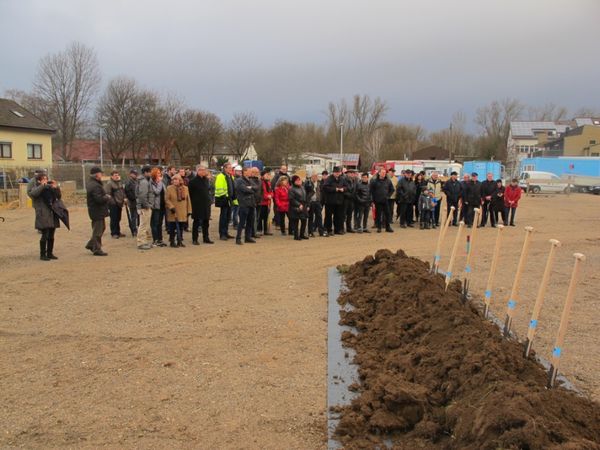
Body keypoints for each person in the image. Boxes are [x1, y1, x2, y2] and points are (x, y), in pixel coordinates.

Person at [28, 173, 62, 260]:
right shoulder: (37, 187)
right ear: (39, 180)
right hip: (43, 214)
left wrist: (56, 187)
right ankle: (42, 255)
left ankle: (50, 253)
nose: (45, 180)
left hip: (52, 213)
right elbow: (33, 194)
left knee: (51, 235)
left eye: (46, 179)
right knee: (45, 234)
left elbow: (58, 197)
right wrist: (42, 186)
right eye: (43, 179)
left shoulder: (49, 188)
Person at [85, 166, 110, 256]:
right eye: (100, 173)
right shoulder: (95, 185)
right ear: (96, 174)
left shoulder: (93, 183)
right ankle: (96, 248)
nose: (102, 175)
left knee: (101, 228)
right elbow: (98, 199)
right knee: (98, 230)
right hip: (97, 210)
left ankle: (91, 244)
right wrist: (106, 197)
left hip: (96, 210)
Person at [188, 165, 214, 245]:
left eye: (204, 170)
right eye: (202, 170)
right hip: (197, 205)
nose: (204, 171)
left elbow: (208, 191)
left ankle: (206, 238)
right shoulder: (193, 181)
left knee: (206, 222)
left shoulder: (206, 180)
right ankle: (195, 239)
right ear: (198, 171)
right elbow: (190, 194)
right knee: (196, 222)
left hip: (206, 204)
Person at [165, 174, 192, 247]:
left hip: (183, 211)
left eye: (176, 179)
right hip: (173, 211)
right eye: (173, 180)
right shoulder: (169, 188)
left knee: (181, 227)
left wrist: (189, 210)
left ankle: (179, 241)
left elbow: (188, 199)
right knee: (172, 227)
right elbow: (167, 199)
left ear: (180, 180)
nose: (175, 181)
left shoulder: (185, 188)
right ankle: (172, 241)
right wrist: (171, 207)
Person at [233, 166, 258, 245]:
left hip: (251, 203)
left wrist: (251, 188)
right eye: (249, 171)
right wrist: (251, 189)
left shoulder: (250, 180)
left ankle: (248, 237)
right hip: (244, 203)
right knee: (242, 222)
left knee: (250, 221)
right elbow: (244, 189)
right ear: (244, 171)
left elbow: (256, 188)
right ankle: (238, 238)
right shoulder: (239, 180)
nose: (251, 172)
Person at [323, 166, 347, 235]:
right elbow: (325, 187)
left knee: (338, 216)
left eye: (338, 172)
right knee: (328, 216)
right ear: (333, 172)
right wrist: (335, 189)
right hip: (330, 201)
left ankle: (338, 229)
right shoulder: (329, 179)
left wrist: (343, 189)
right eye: (336, 172)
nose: (337, 174)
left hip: (339, 201)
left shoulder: (342, 179)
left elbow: (346, 187)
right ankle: (328, 230)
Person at [214, 163, 235, 241]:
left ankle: (226, 232)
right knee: (223, 217)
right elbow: (220, 189)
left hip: (229, 199)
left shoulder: (230, 176)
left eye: (231, 168)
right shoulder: (220, 176)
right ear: (225, 168)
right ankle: (222, 234)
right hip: (223, 199)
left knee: (227, 217)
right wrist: (225, 197)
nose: (230, 169)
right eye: (229, 168)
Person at [369, 167, 394, 233]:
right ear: (379, 173)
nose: (384, 174)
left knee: (387, 214)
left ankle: (387, 227)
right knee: (378, 214)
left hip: (385, 200)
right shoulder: (374, 181)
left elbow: (392, 189)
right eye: (382, 173)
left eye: (385, 173)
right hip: (377, 201)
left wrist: (388, 196)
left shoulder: (388, 181)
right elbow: (370, 191)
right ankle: (379, 227)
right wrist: (372, 199)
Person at [135, 166, 154, 250]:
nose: (150, 173)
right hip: (144, 207)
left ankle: (145, 241)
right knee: (143, 225)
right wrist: (147, 205)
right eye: (150, 172)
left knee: (146, 225)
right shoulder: (144, 182)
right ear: (146, 172)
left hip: (144, 206)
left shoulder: (144, 181)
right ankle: (141, 243)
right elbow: (142, 195)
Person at [105, 170, 126, 239]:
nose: (117, 176)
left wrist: (124, 198)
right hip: (113, 204)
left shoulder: (119, 182)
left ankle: (118, 232)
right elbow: (107, 194)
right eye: (115, 175)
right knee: (114, 219)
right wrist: (113, 202)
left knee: (118, 218)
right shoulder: (109, 183)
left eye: (117, 175)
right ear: (112, 176)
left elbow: (122, 191)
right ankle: (114, 233)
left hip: (119, 203)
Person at [288, 175, 309, 240]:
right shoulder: (291, 189)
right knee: (295, 221)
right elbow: (291, 199)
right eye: (297, 180)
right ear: (294, 181)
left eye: (299, 180)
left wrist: (307, 205)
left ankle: (302, 234)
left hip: (304, 205)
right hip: (295, 207)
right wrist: (299, 205)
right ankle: (296, 236)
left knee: (304, 220)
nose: (299, 181)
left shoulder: (302, 187)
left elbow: (306, 197)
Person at [150, 168, 167, 247]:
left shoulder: (161, 182)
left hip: (162, 205)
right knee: (155, 223)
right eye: (158, 173)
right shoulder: (151, 183)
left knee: (160, 223)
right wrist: (160, 182)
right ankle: (155, 239)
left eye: (160, 173)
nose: (159, 174)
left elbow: (165, 192)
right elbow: (157, 191)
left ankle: (160, 239)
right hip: (155, 206)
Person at [304, 171, 325, 237]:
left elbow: (321, 191)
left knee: (319, 216)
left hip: (317, 202)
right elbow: (306, 191)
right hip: (311, 202)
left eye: (316, 176)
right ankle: (310, 232)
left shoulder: (319, 183)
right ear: (311, 176)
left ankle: (321, 232)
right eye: (314, 176)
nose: (315, 177)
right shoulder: (308, 183)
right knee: (310, 217)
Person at [124, 169, 139, 237]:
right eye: (134, 174)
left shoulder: (135, 181)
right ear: (131, 174)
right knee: (133, 216)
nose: (136, 175)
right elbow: (127, 192)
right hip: (132, 202)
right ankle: (134, 230)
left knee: (136, 216)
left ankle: (135, 229)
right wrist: (134, 198)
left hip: (136, 201)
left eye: (136, 174)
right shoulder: (129, 182)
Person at [258, 170, 273, 236]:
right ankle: (259, 230)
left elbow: (271, 191)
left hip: (267, 203)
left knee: (266, 217)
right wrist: (267, 196)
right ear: (262, 175)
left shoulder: (269, 183)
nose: (268, 176)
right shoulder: (261, 182)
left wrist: (271, 195)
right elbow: (261, 193)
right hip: (262, 203)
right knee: (260, 217)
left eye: (268, 174)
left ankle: (266, 230)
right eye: (266, 174)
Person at [249, 167, 262, 238]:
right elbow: (253, 189)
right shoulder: (249, 180)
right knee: (253, 218)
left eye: (258, 172)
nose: (257, 174)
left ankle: (254, 231)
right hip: (252, 202)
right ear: (252, 173)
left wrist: (261, 199)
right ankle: (252, 232)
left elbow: (261, 191)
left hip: (259, 202)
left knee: (257, 218)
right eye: (255, 172)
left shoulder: (259, 181)